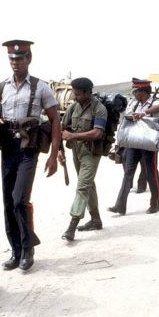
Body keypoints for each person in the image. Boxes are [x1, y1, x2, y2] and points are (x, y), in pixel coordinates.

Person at [0, 40, 61, 271]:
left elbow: (55, 120)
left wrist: (54, 153)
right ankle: (16, 251)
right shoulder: (2, 87)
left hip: (28, 149)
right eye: (12, 59)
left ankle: (28, 248)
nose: (15, 63)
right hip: (7, 148)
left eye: (19, 59)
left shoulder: (41, 87)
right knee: (8, 202)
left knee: (20, 199)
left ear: (28, 59)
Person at [58, 77, 108, 240]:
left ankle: (71, 226)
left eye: (77, 94)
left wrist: (73, 135)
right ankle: (95, 220)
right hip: (76, 151)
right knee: (88, 185)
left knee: (82, 187)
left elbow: (97, 133)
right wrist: (60, 151)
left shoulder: (99, 109)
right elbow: (62, 128)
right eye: (74, 93)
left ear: (88, 92)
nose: (74, 96)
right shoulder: (74, 108)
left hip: (91, 153)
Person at [110, 78, 159, 214]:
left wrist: (143, 113)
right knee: (128, 173)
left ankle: (154, 204)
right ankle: (120, 205)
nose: (134, 94)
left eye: (136, 91)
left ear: (143, 92)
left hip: (148, 143)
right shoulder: (134, 103)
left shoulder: (154, 101)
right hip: (133, 142)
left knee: (151, 174)